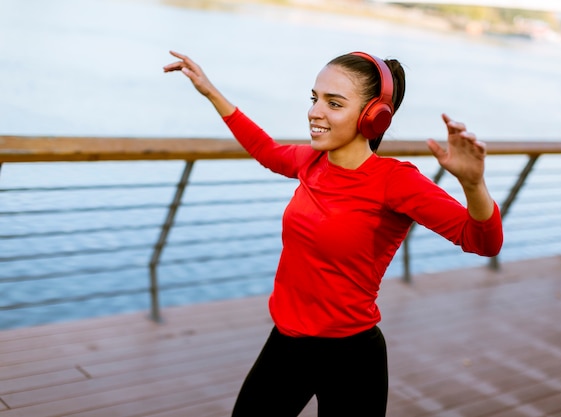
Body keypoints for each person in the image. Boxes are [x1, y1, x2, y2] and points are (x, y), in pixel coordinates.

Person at [163, 50, 503, 417]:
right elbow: (265, 149)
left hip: (352, 358)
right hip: (286, 346)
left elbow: (482, 242)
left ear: (374, 116)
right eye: (315, 98)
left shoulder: (396, 182)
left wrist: (473, 184)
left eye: (334, 103)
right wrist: (210, 90)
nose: (314, 111)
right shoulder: (311, 161)